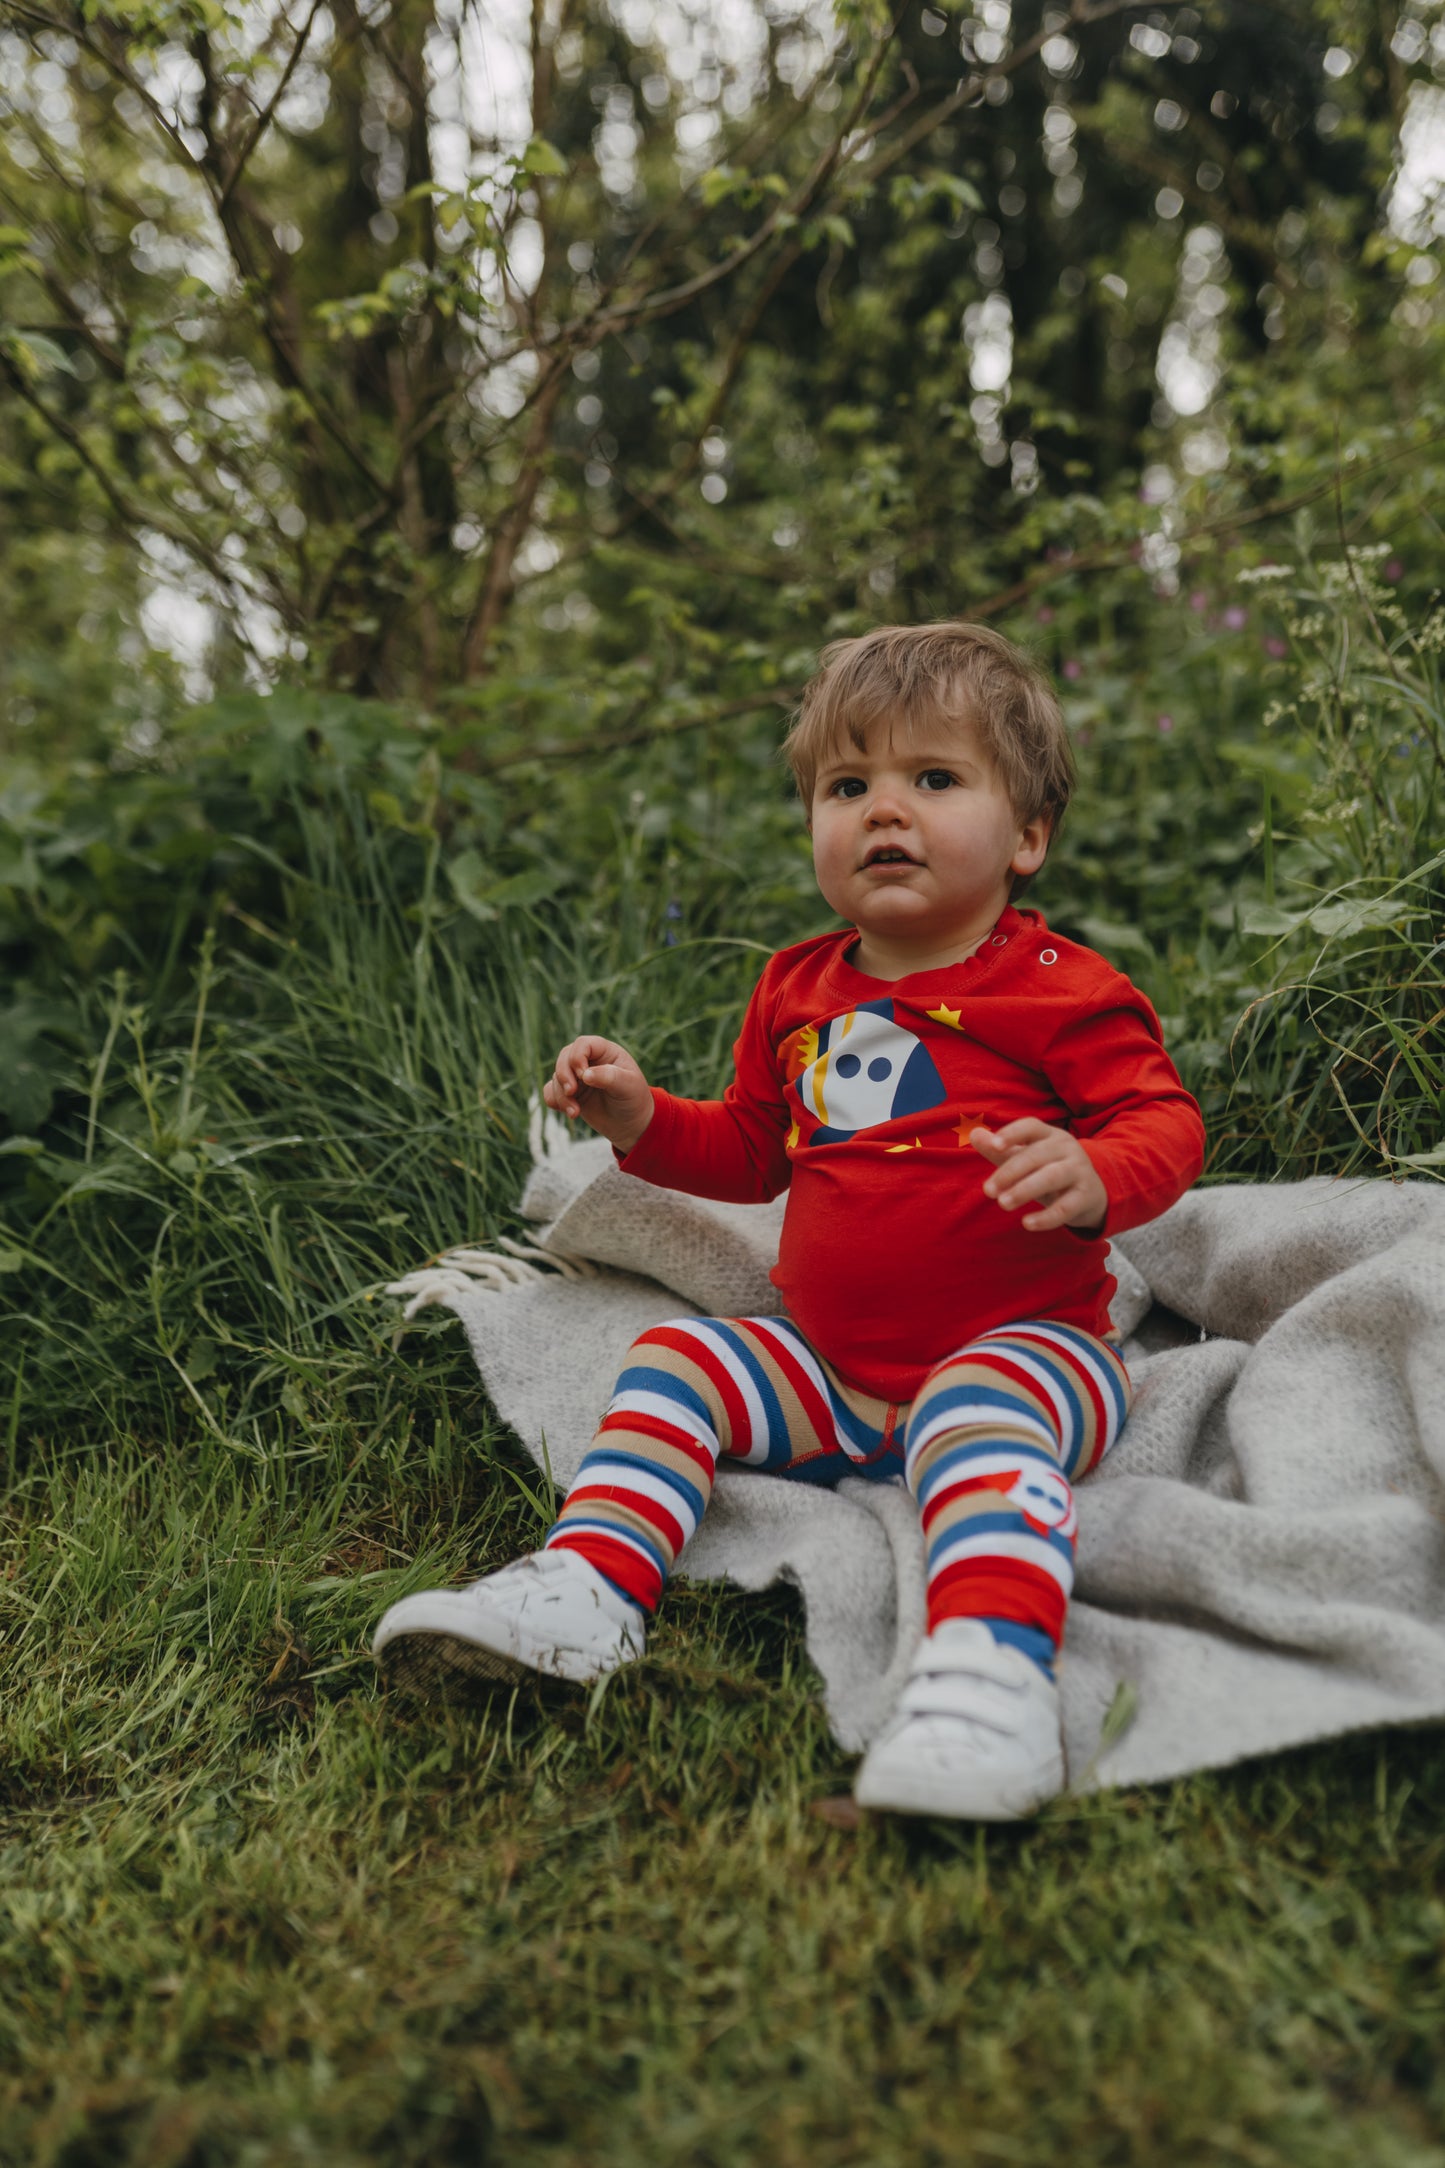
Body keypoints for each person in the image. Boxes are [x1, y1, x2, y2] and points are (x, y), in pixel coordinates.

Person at [373, 621, 1205, 1820]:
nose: (882, 811)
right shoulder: (796, 988)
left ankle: (986, 1682)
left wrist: (1095, 1167)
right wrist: (640, 1113)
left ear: (1026, 834)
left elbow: (1164, 1123)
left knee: (977, 1419)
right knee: (678, 1357)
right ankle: (585, 1591)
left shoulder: (1061, 990)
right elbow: (751, 1150)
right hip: (833, 1372)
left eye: (932, 778)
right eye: (845, 784)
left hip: (1024, 1352)